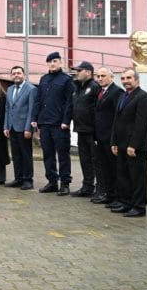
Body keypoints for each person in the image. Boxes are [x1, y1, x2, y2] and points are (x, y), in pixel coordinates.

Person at [110, 69, 147, 217]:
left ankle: (139, 207)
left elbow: (142, 124)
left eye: (129, 78)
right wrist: (114, 142)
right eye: (123, 78)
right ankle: (125, 202)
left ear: (137, 79)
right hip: (121, 145)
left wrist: (133, 145)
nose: (125, 81)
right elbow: (117, 121)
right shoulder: (124, 96)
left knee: (137, 178)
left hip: (135, 147)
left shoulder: (143, 97)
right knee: (123, 176)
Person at [32, 51, 73, 196]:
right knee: (48, 154)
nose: (52, 64)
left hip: (59, 124)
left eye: (55, 61)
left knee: (63, 154)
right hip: (44, 123)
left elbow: (69, 102)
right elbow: (38, 100)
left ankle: (65, 183)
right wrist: (35, 118)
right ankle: (52, 181)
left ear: (60, 62)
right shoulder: (43, 79)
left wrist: (66, 121)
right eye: (50, 61)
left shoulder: (66, 80)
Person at [69, 61, 101, 197]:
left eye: (79, 70)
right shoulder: (77, 87)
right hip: (81, 129)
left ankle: (100, 188)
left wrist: (96, 131)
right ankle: (87, 187)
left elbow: (98, 110)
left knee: (96, 160)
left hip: (92, 131)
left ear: (88, 72)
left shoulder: (94, 87)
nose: (76, 73)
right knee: (85, 160)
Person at [92, 67, 123, 205]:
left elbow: (118, 117)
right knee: (105, 168)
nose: (99, 78)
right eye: (98, 76)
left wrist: (114, 139)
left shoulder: (117, 92)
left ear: (111, 77)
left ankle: (117, 196)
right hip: (101, 137)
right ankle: (108, 194)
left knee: (113, 168)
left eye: (103, 76)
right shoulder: (101, 92)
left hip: (110, 138)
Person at [3, 65, 35, 190]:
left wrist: (29, 128)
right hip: (12, 127)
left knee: (26, 154)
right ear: (11, 76)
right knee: (15, 155)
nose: (16, 75)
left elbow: (31, 110)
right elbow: (7, 109)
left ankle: (28, 180)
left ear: (24, 75)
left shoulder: (31, 89)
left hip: (24, 128)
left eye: (18, 73)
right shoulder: (10, 89)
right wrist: (6, 126)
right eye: (14, 73)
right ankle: (18, 178)